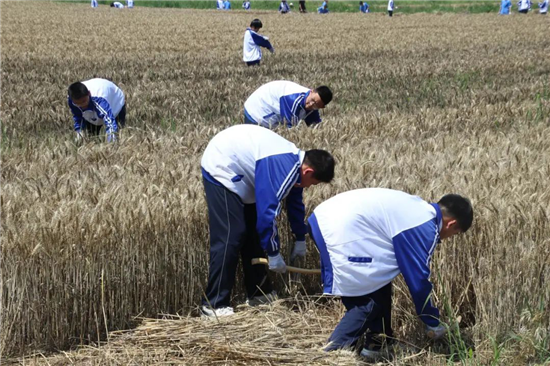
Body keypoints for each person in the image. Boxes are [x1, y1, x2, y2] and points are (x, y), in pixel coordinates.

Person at [307, 189, 473, 360]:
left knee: (379, 282)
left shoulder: (418, 211)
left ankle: (377, 344)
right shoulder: (424, 228)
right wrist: (431, 320)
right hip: (339, 231)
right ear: (451, 224)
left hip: (328, 218)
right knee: (367, 303)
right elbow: (418, 281)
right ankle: (331, 357)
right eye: (455, 234)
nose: (449, 237)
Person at [200, 125, 335, 317]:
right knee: (231, 235)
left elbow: (295, 202)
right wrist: (273, 253)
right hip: (222, 165)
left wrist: (299, 237)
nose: (311, 187)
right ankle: (213, 304)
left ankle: (258, 293)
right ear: (308, 172)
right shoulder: (282, 168)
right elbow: (267, 215)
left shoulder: (296, 166)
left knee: (253, 234)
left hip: (244, 170)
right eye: (313, 183)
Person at [243, 80, 332, 129]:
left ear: (321, 107)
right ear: (311, 91)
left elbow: (315, 126)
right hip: (257, 111)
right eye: (312, 100)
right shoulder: (293, 100)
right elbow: (290, 130)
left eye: (316, 105)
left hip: (270, 115)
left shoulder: (312, 105)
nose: (311, 105)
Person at [68, 78, 126, 143]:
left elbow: (110, 123)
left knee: (117, 134)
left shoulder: (100, 101)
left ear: (89, 94)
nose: (82, 105)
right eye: (77, 103)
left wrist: (111, 145)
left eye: (84, 101)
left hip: (115, 101)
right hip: (95, 103)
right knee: (92, 137)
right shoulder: (71, 100)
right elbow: (78, 116)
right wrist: (79, 134)